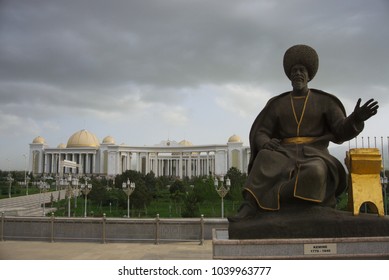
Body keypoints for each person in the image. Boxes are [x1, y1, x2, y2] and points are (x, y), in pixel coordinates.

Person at [228, 44, 378, 222]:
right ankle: (250, 206)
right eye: (294, 71)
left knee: (316, 171)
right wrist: (265, 142)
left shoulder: (325, 101)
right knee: (264, 158)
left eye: (302, 70)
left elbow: (340, 130)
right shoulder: (278, 103)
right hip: (283, 152)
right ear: (290, 76)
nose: (298, 73)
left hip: (315, 153)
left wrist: (356, 119)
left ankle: (290, 203)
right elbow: (262, 131)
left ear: (308, 75)